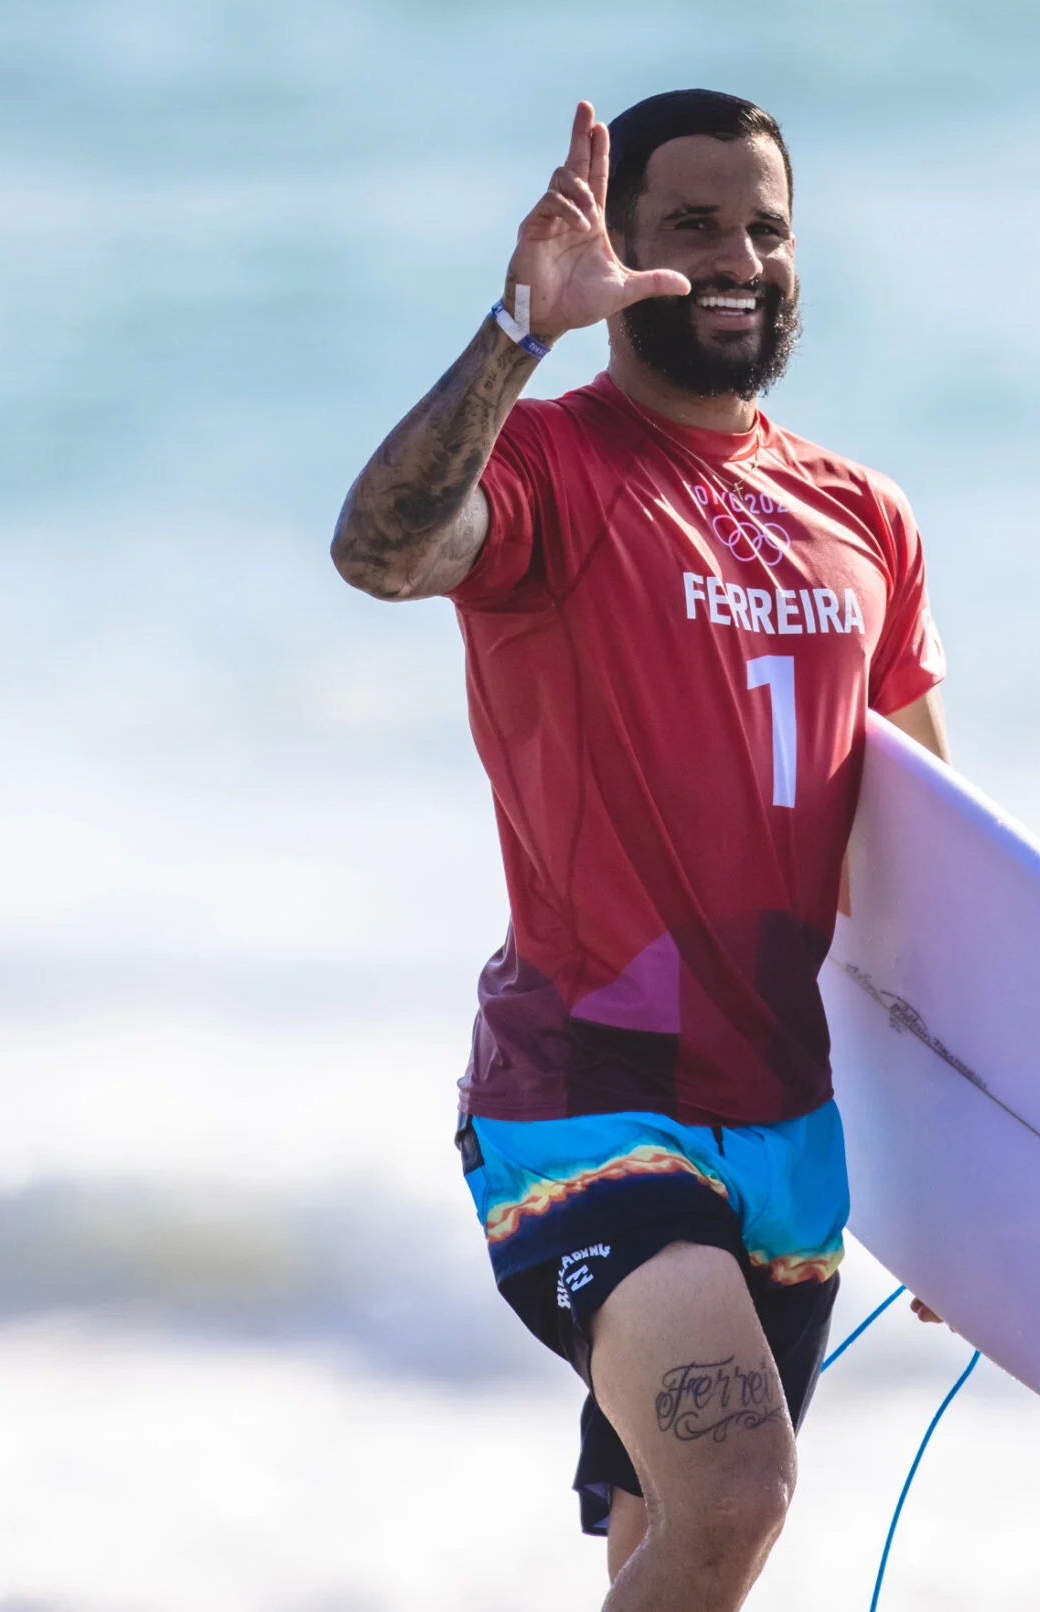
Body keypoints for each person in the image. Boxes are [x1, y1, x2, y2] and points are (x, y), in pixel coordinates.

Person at [329, 89, 949, 1612]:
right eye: (694, 226)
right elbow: (383, 549)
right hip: (588, 1100)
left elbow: (933, 877)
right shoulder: (554, 472)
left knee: (677, 1557)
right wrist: (517, 331)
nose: (739, 257)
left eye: (768, 228)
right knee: (739, 1490)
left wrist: (971, 1188)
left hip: (797, 1132)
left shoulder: (862, 517)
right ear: (624, 249)